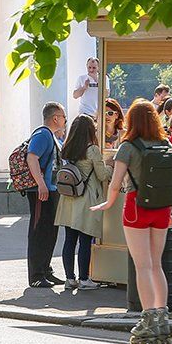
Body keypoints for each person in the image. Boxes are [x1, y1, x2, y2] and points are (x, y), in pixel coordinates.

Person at [92, 100, 172, 344]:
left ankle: (148, 319)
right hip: (162, 206)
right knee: (157, 264)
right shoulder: (165, 143)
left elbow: (116, 182)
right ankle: (162, 316)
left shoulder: (127, 147)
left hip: (137, 206)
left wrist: (107, 203)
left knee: (143, 266)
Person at [52, 114, 109, 290]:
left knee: (69, 240)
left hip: (69, 197)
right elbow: (102, 175)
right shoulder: (92, 149)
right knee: (85, 240)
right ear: (91, 130)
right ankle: (84, 279)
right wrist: (112, 167)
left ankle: (70, 279)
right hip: (86, 198)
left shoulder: (67, 148)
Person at [24, 102, 67, 289]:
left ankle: (45, 270)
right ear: (55, 117)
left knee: (49, 232)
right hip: (41, 191)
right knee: (39, 232)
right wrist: (41, 184)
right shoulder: (43, 134)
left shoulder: (51, 135)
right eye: (64, 116)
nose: (65, 120)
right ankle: (36, 274)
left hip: (50, 189)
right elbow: (31, 157)